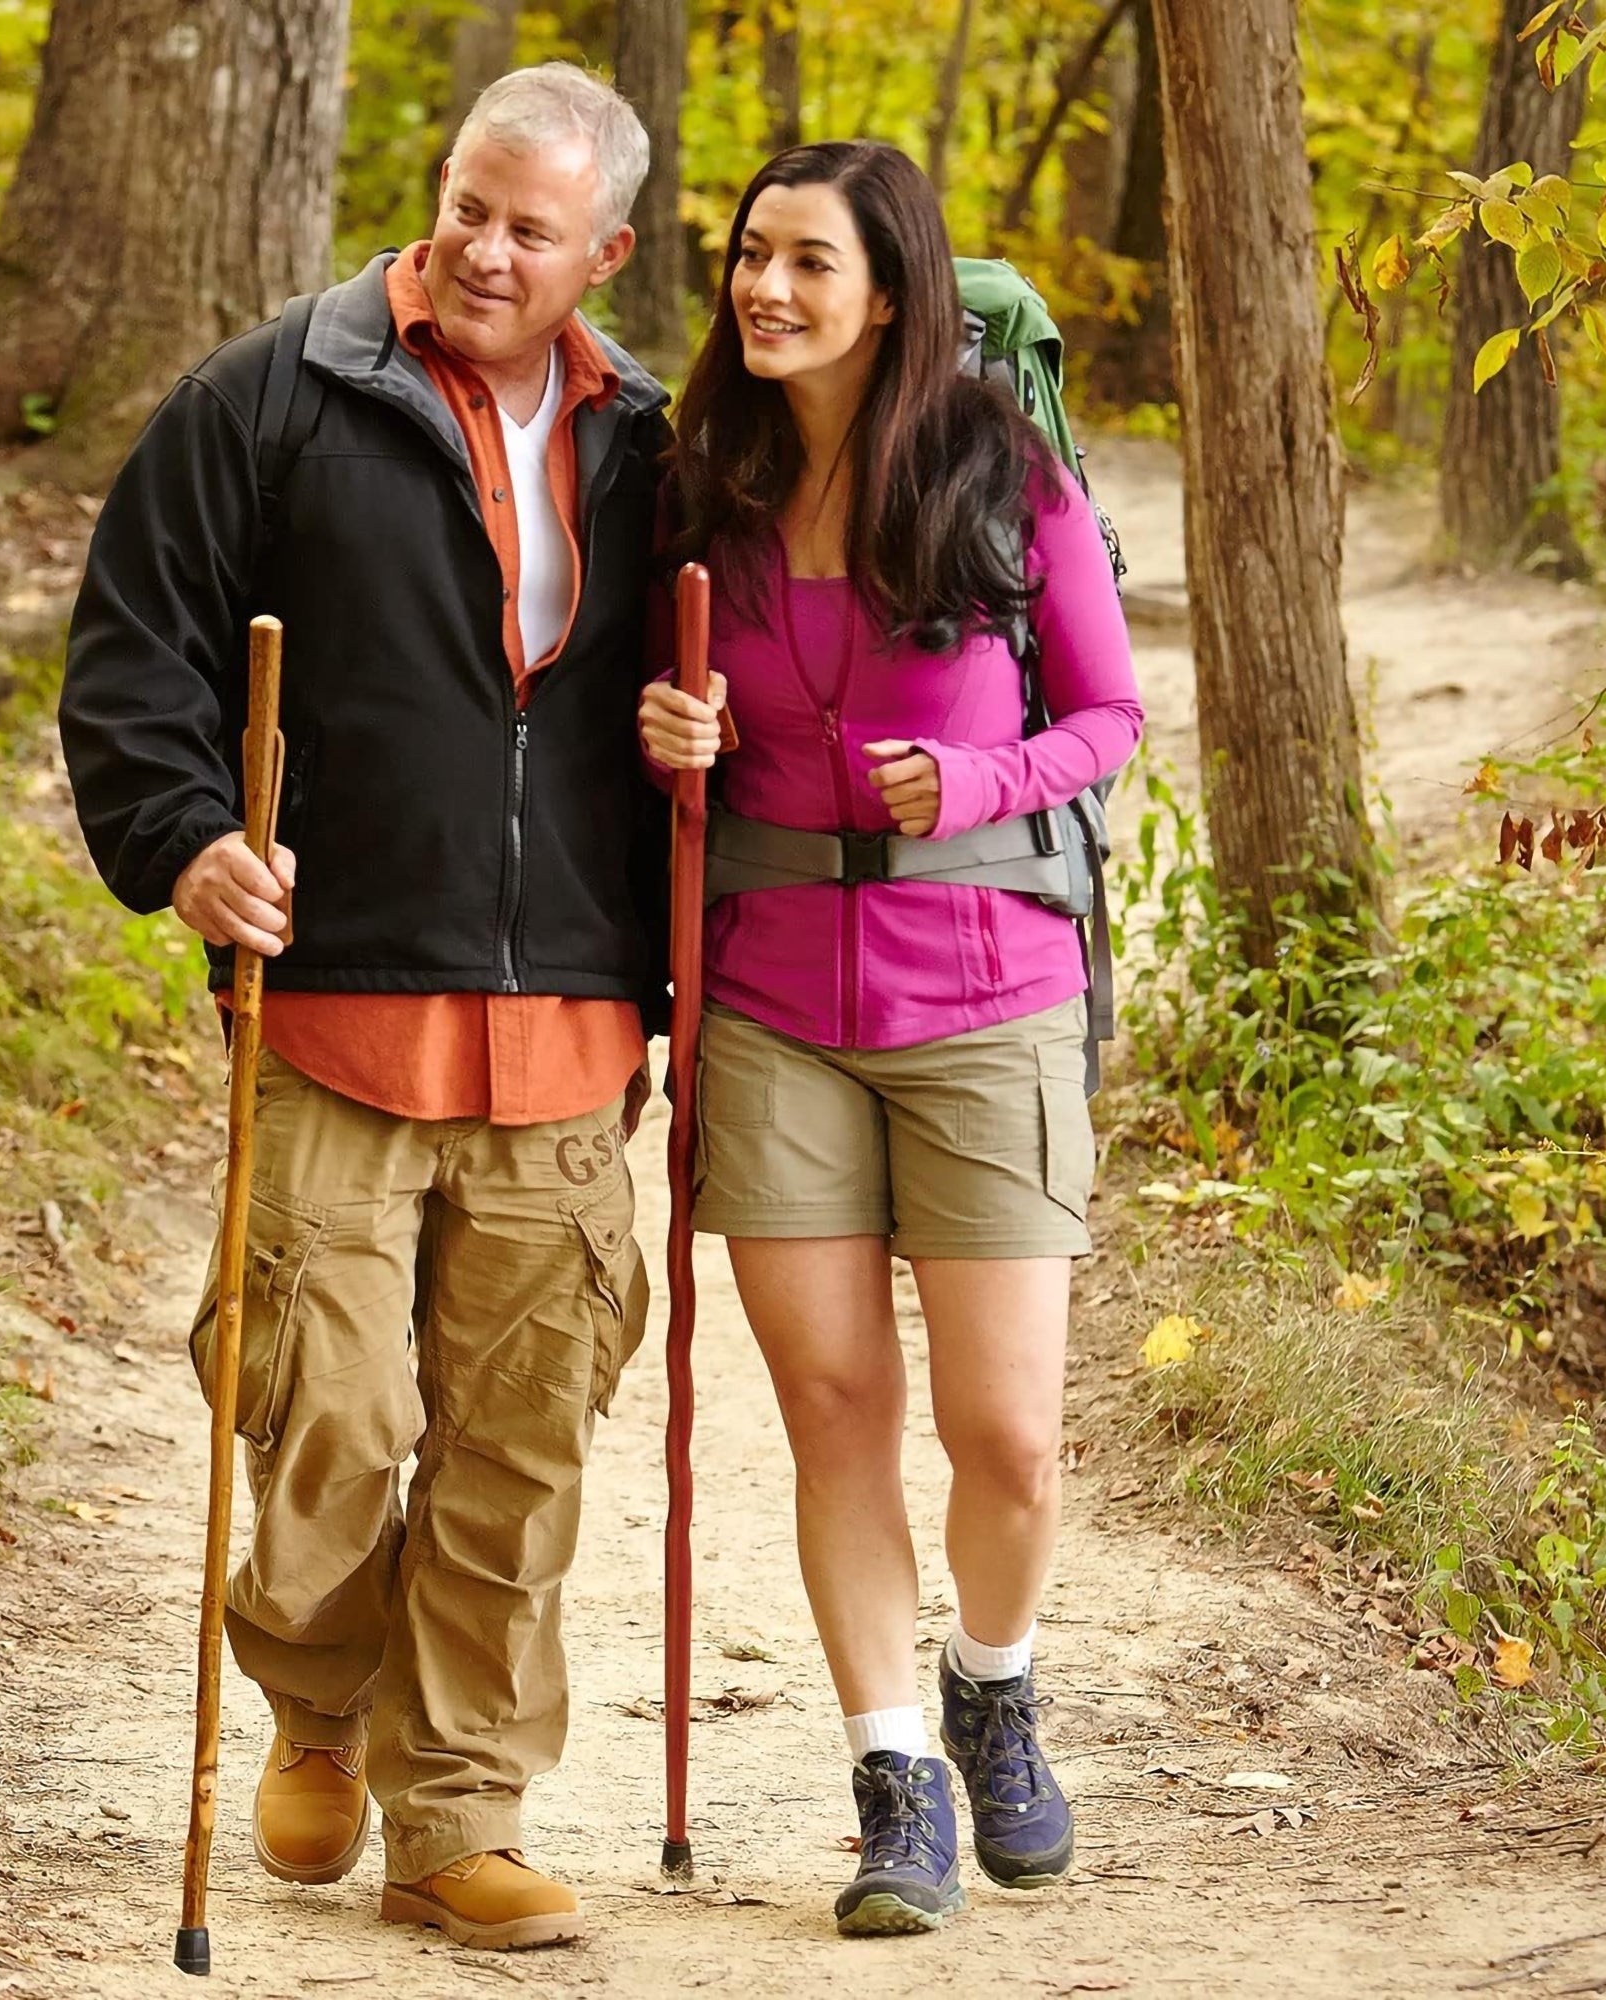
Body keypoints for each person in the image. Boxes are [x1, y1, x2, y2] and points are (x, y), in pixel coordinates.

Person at [60, 63, 673, 1953]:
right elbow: (135, 652)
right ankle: (318, 1707)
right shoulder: (270, 399)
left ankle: (459, 1809)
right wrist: (182, 848)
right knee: (323, 1417)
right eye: (468, 206)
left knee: (520, 1441)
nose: (485, 250)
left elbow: (749, 673)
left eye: (533, 229)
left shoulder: (656, 442)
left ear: (607, 253)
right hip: (328, 1008)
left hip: (567, 1018)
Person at [639, 140, 1142, 1937]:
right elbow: (656, 722)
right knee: (836, 1409)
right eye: (748, 258)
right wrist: (668, 740)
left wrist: (986, 779)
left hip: (987, 992)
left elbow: (1110, 714)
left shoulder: (1004, 478)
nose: (763, 291)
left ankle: (992, 1691)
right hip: (774, 1000)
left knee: (1008, 1437)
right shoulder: (705, 486)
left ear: (893, 290)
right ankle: (891, 1787)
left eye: (805, 265)